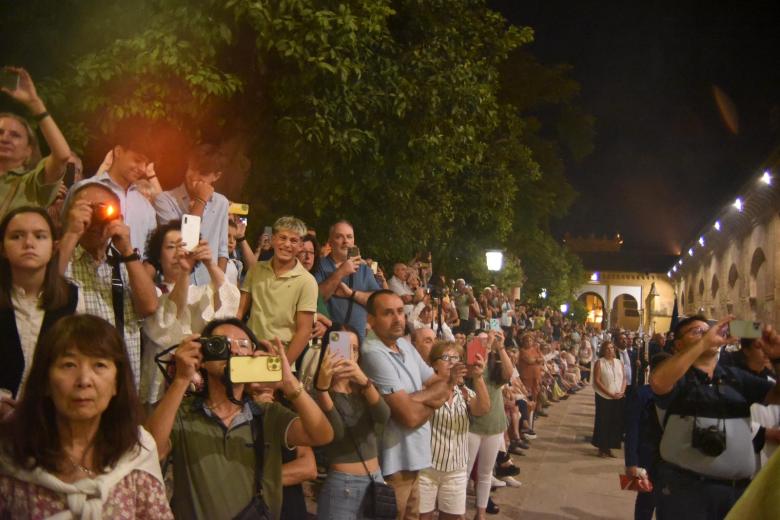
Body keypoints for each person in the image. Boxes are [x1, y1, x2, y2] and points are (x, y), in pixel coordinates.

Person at [145, 317, 334, 519]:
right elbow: (149, 451)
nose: (234, 350)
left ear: (253, 355)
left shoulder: (267, 414)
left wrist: (289, 383)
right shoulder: (182, 413)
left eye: (243, 345)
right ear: (203, 357)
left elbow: (322, 435)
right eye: (221, 344)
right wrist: (182, 379)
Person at [0, 315, 171, 518]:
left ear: (117, 382)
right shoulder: (12, 454)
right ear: (45, 381)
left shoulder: (137, 450)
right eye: (69, 364)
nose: (84, 380)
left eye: (99, 365)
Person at [650, 316, 780, 519]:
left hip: (736, 494)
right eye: (696, 332)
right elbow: (658, 382)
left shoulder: (735, 377)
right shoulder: (679, 379)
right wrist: (704, 344)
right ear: (678, 345)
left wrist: (777, 359)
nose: (706, 334)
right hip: (686, 492)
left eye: (707, 330)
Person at [360, 290, 456, 519]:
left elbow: (438, 381)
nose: (397, 319)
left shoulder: (405, 345)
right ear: (371, 321)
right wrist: (435, 400)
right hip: (392, 463)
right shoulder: (372, 353)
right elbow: (409, 417)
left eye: (401, 312)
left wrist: (415, 398)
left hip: (414, 457)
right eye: (388, 313)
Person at [58, 183, 159, 386]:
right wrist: (72, 233)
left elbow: (149, 307)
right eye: (87, 208)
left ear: (119, 219)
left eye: (103, 210)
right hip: (74, 384)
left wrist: (128, 250)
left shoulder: (126, 265)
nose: (95, 218)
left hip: (119, 386)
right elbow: (45, 292)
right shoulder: (60, 258)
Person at [140, 222, 240, 405]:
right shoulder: (152, 294)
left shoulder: (201, 292)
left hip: (197, 384)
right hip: (160, 381)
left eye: (184, 245)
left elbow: (230, 303)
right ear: (158, 255)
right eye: (170, 247)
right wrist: (184, 273)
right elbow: (167, 326)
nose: (179, 252)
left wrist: (210, 263)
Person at [0, 207, 81, 405]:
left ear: (54, 247)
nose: (28, 243)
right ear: (2, 248)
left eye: (40, 236)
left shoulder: (72, 297)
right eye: (17, 236)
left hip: (49, 416)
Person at [314, 324, 391, 520]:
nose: (349, 355)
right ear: (327, 351)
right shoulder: (320, 393)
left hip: (375, 479)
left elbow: (384, 416)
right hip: (343, 486)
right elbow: (337, 433)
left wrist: (364, 382)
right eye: (342, 348)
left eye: (354, 349)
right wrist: (322, 389)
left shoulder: (363, 388)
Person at [420, 340, 490, 520]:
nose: (452, 361)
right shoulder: (426, 389)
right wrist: (449, 383)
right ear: (433, 364)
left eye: (456, 357)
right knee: (422, 517)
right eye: (446, 357)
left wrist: (478, 377)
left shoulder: (465, 393)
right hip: (426, 469)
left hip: (456, 469)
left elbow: (482, 408)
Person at [67, 122, 158, 259]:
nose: (142, 169)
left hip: (133, 278)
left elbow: (151, 256)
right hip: (84, 275)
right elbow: (66, 234)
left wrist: (143, 274)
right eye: (137, 160)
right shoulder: (84, 190)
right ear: (118, 152)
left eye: (145, 164)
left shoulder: (145, 206)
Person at [238, 216, 318, 364]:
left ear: (300, 246)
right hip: (250, 351)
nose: (287, 244)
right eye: (282, 238)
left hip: (281, 356)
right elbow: (240, 311)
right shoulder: (255, 270)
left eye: (294, 240)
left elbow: (304, 330)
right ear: (273, 239)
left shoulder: (307, 281)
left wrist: (284, 367)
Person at [154, 144, 230, 284]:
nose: (194, 177)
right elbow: (186, 242)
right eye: (192, 169)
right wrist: (200, 202)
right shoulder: (165, 200)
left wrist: (219, 286)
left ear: (216, 176)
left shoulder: (222, 203)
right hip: (176, 285)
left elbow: (222, 250)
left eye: (203, 173)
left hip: (208, 286)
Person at [0, 68, 71, 216]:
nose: (5, 138)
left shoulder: (31, 184)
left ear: (28, 151)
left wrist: (34, 103)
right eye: (0, 132)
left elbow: (62, 155)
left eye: (15, 135)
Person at [466, 330, 514, 520]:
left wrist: (500, 347)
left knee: (485, 472)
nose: (487, 341)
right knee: (465, 471)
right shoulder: (471, 361)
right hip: (473, 424)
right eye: (482, 338)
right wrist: (485, 347)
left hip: (494, 422)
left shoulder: (495, 362)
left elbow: (508, 373)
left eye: (488, 338)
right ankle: (458, 512)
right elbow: (472, 373)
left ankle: (481, 513)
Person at [314, 220, 380, 340]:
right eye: (339, 237)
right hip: (334, 337)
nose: (346, 241)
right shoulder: (319, 266)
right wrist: (341, 272)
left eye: (349, 237)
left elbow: (378, 301)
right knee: (340, 359)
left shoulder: (364, 268)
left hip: (360, 339)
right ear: (330, 242)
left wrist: (352, 294)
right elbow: (315, 298)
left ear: (353, 241)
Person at [592, 340, 625, 457]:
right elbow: (597, 380)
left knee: (614, 422)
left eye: (612, 348)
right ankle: (601, 447)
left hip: (618, 396)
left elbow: (624, 378)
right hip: (604, 396)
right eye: (607, 348)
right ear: (603, 350)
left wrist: (622, 391)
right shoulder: (599, 363)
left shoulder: (619, 362)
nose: (610, 350)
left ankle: (609, 447)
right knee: (603, 422)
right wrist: (610, 394)